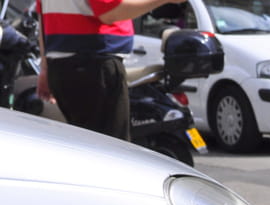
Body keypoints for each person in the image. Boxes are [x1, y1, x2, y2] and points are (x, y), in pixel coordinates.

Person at [35, 0, 186, 140]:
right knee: (111, 150)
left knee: (87, 145)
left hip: (65, 64)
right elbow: (110, 11)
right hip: (93, 64)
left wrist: (46, 67)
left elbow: (43, 19)